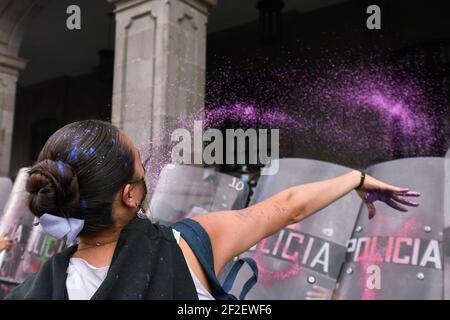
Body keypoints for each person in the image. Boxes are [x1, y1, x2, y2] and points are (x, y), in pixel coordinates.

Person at [4, 120, 420, 300]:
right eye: (142, 167)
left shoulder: (39, 289)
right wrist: (356, 179)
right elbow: (287, 207)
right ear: (130, 196)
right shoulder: (187, 245)